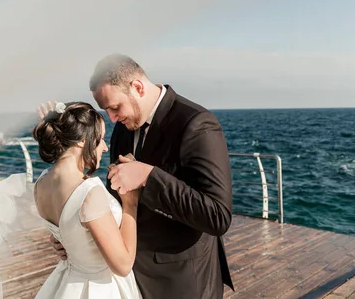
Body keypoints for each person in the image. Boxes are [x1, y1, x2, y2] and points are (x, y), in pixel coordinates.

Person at [52, 54, 235, 299]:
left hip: (182, 281)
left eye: (115, 107)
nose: (112, 118)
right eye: (106, 111)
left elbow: (217, 216)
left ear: (137, 87)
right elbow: (115, 198)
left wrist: (149, 176)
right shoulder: (121, 129)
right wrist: (79, 238)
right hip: (130, 277)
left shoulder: (196, 123)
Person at [32, 101, 143, 299]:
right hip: (99, 288)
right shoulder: (89, 193)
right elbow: (123, 265)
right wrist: (131, 202)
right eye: (99, 139)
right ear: (82, 141)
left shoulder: (41, 183)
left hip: (67, 283)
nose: (105, 147)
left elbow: (68, 228)